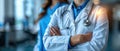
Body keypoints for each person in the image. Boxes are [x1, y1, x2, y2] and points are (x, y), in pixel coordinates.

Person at [43, 0, 109, 51]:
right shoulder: (59, 12)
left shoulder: (100, 12)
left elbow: (97, 46)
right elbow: (47, 42)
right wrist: (78, 39)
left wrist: (63, 45)